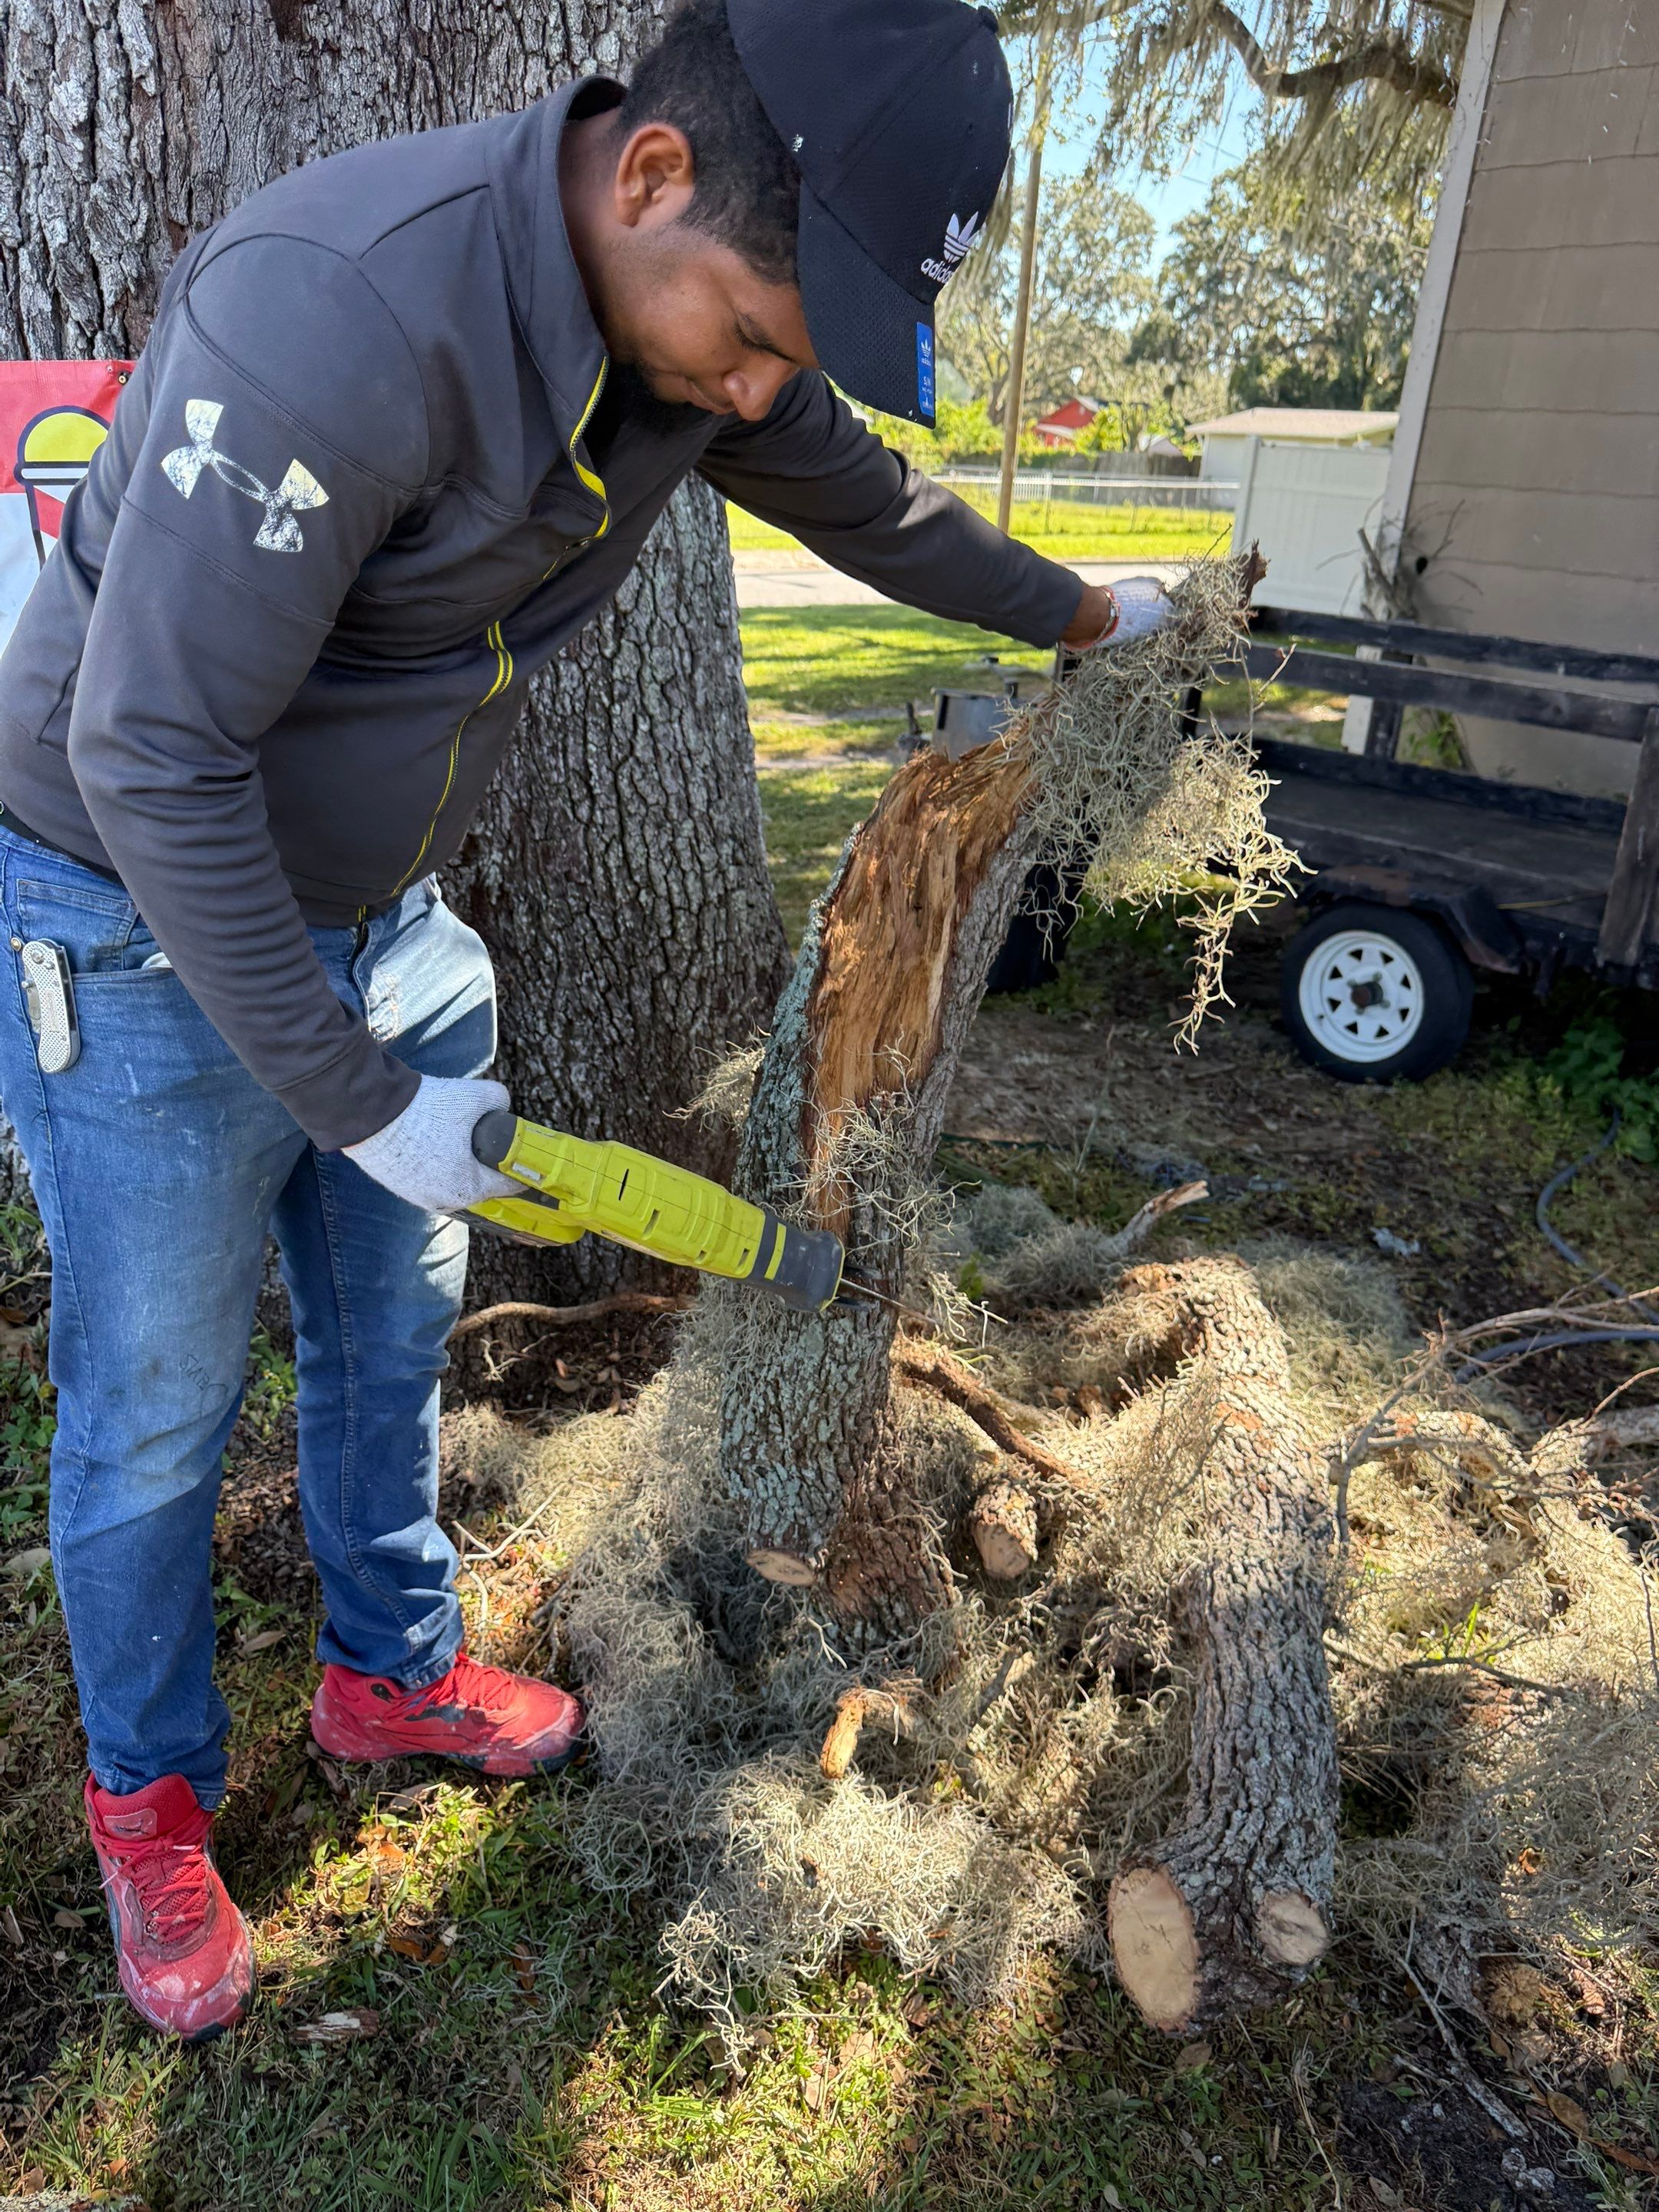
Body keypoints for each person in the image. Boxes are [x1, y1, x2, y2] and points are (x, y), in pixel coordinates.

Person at [0, 0, 1172, 2041]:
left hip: (382, 922)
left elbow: (872, 505)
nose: (762, 390)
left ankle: (388, 1675)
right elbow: (150, 753)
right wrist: (351, 1088)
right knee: (159, 1408)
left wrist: (1086, 613)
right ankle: (152, 1807)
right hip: (132, 919)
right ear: (649, 175)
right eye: (759, 334)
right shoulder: (335, 317)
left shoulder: (691, 342)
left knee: (390, 1336)